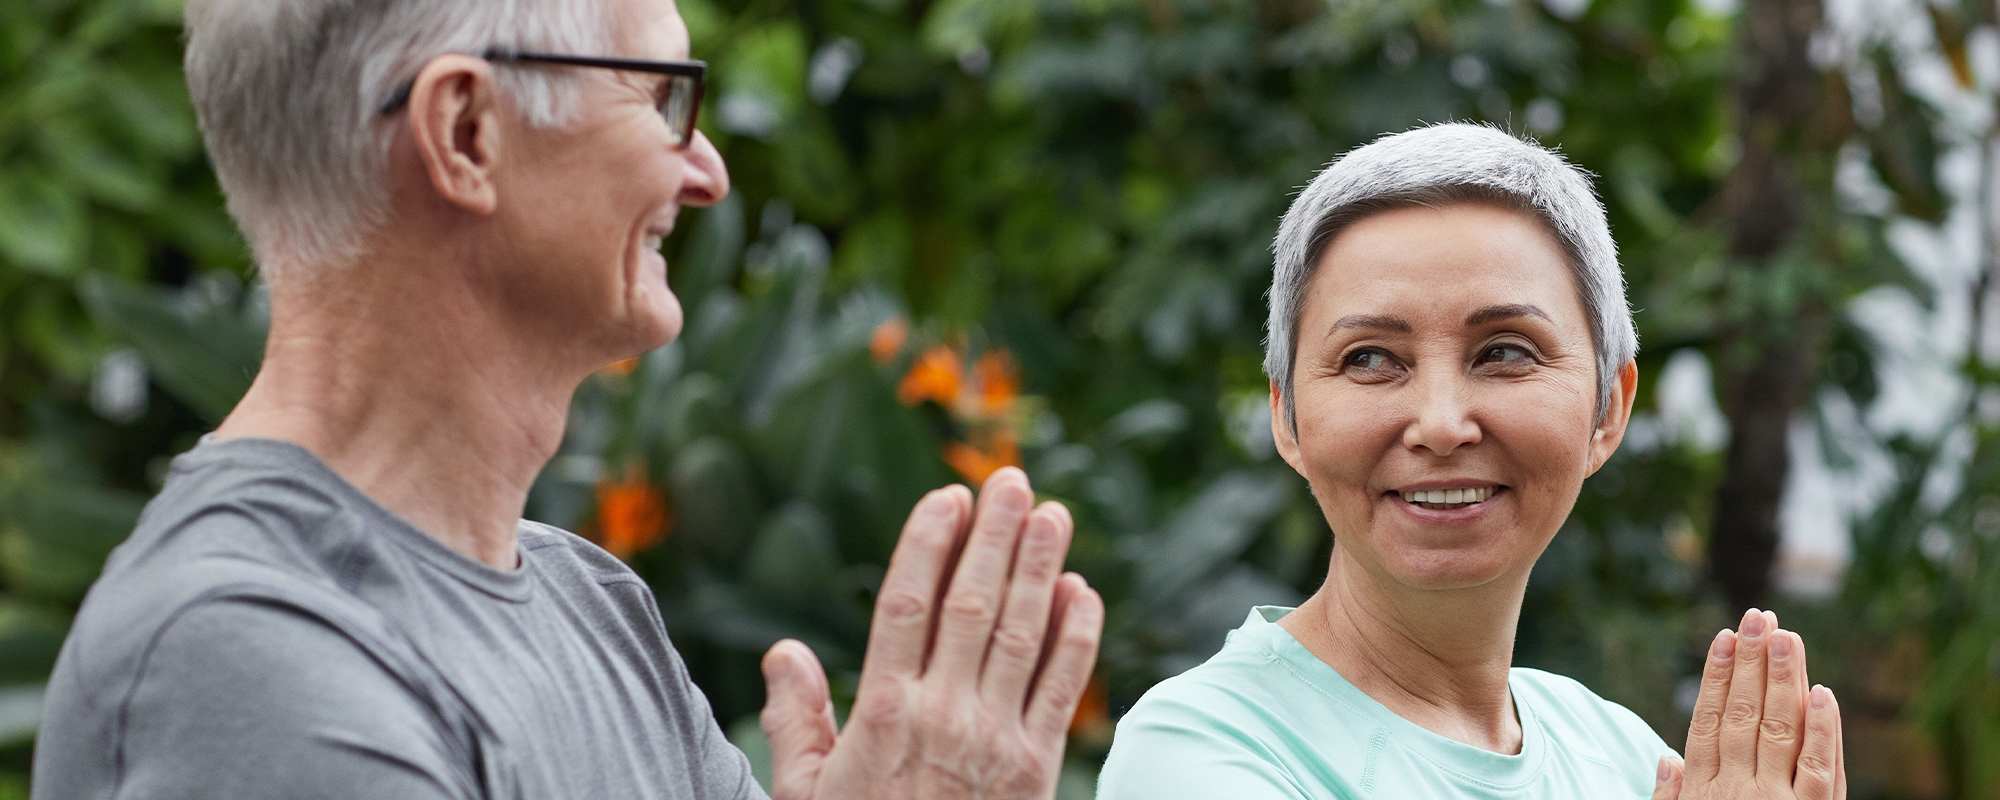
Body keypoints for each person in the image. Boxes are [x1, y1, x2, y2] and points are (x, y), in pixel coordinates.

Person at [32, 0, 1103, 798]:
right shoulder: (243, 654)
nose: (709, 173)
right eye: (659, 98)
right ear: (465, 133)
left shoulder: (589, 604)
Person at [1095, 124, 1846, 799]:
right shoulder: (1205, 752)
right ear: (1287, 417)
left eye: (1505, 352)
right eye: (1370, 359)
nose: (1442, 424)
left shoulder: (1623, 759)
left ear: (1608, 410)